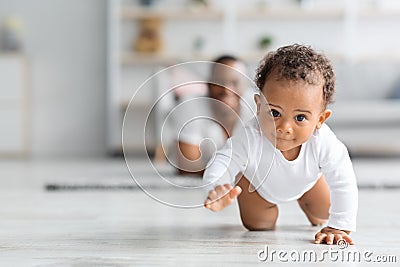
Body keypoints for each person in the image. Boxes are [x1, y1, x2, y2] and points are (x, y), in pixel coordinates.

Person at [203, 44, 358, 245]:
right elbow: (224, 159)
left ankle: (306, 200)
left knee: (322, 213)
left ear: (320, 119)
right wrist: (217, 186)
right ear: (259, 106)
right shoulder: (251, 134)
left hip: (307, 183)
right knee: (259, 225)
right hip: (258, 187)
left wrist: (339, 226)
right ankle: (248, 184)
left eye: (300, 117)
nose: (285, 127)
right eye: (274, 113)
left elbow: (344, 180)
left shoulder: (323, 141)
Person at [175, 55, 255, 176]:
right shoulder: (189, 106)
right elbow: (188, 167)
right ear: (208, 85)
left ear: (246, 86)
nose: (227, 90)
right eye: (218, 82)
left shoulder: (258, 106)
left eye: (235, 82)